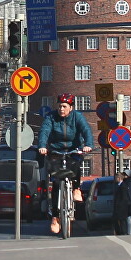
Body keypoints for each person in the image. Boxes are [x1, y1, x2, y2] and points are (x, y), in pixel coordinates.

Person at [37, 93, 93, 230]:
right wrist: (43, 146)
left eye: (64, 106)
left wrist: (88, 144)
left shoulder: (77, 117)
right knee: (56, 182)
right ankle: (55, 217)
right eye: (60, 106)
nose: (61, 109)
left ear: (71, 107)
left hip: (73, 149)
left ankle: (76, 189)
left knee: (76, 165)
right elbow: (44, 131)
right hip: (56, 150)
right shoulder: (51, 117)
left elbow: (86, 130)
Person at [112, 172, 131, 236]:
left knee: (122, 221)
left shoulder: (123, 186)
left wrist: (120, 205)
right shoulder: (118, 185)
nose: (115, 179)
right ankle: (120, 232)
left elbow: (124, 198)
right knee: (118, 220)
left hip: (122, 207)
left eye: (116, 178)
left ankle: (123, 232)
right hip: (119, 206)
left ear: (119, 178)